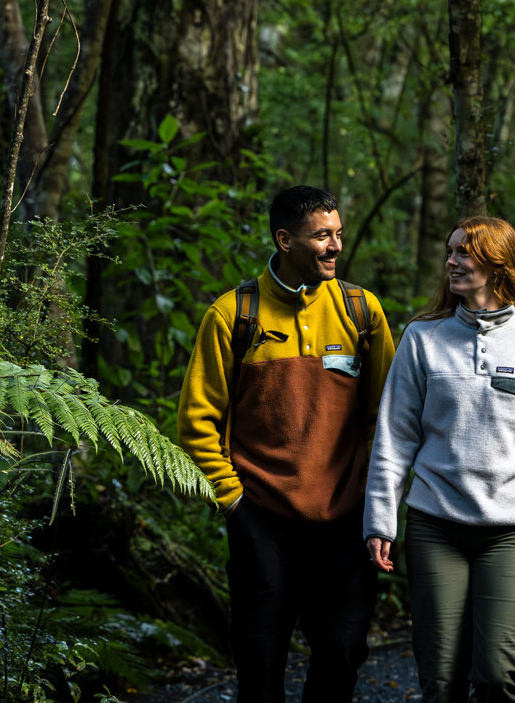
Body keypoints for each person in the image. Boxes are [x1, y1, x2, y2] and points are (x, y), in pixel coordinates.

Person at [176, 185, 397, 702]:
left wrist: (370, 492)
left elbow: (385, 416)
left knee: (342, 654)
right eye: (322, 236)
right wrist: (233, 503)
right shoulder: (233, 315)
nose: (336, 246)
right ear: (284, 239)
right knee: (260, 664)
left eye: (338, 234)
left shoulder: (362, 311)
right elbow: (196, 422)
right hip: (261, 520)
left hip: (345, 520)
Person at [362, 216, 515, 703]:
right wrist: (380, 521)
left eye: (464, 252)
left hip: (511, 529)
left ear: (498, 263)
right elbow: (394, 438)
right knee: (440, 678)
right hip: (435, 523)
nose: (451, 261)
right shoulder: (422, 338)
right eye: (451, 251)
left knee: (497, 674)